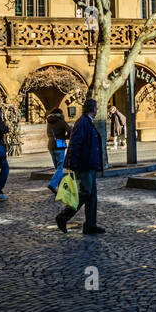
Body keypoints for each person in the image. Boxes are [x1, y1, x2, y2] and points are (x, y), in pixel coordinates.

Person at [57, 98, 104, 235]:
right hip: (84, 165)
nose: (97, 110)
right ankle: (63, 217)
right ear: (93, 109)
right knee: (86, 193)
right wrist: (74, 164)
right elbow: (75, 143)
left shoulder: (88, 122)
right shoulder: (83, 122)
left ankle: (90, 224)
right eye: (96, 108)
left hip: (89, 164)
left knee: (92, 195)